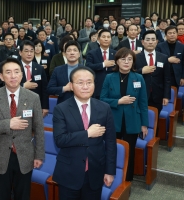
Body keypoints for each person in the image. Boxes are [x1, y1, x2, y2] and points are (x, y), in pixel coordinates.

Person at [0, 57, 45, 200]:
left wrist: (39, 155)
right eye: (8, 72)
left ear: (22, 75)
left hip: (25, 155)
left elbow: (39, 128)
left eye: (16, 72)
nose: (13, 76)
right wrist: (8, 124)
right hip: (0, 155)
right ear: (1, 76)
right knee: (2, 195)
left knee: (23, 195)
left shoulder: (33, 97)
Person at [52, 66, 116, 200]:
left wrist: (110, 171)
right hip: (69, 172)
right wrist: (87, 133)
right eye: (80, 83)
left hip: (95, 171)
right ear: (71, 85)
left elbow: (110, 142)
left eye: (89, 82)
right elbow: (60, 140)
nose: (85, 86)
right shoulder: (61, 109)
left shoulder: (104, 108)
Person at [100, 47, 149, 181]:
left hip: (132, 120)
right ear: (116, 61)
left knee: (129, 152)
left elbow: (143, 103)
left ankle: (127, 181)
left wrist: (144, 124)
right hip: (113, 120)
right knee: (111, 150)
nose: (126, 62)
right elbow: (102, 99)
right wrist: (118, 101)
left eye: (130, 59)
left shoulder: (138, 78)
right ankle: (109, 177)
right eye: (123, 59)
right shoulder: (109, 77)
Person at [135, 30, 171, 116]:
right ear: (142, 42)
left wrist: (166, 96)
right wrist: (141, 71)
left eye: (153, 39)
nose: (150, 42)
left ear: (157, 42)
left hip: (157, 95)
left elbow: (167, 79)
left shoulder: (163, 58)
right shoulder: (135, 57)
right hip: (139, 94)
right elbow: (129, 73)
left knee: (155, 120)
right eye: (147, 40)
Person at [47, 40, 84, 104]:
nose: (72, 53)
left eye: (75, 50)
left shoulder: (86, 70)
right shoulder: (57, 70)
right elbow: (50, 89)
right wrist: (64, 88)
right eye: (69, 50)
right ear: (65, 54)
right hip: (63, 106)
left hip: (82, 105)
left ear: (79, 54)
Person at [19, 40, 49, 117]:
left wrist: (45, 107)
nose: (29, 54)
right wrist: (23, 86)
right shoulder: (14, 67)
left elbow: (44, 89)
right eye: (26, 51)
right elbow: (5, 85)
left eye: (32, 51)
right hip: (18, 104)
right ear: (20, 52)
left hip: (35, 104)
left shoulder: (39, 68)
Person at [86, 29, 116, 99]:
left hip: (112, 87)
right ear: (98, 39)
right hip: (97, 86)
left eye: (108, 37)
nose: (106, 39)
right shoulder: (92, 53)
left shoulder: (115, 53)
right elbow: (88, 66)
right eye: (104, 37)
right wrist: (103, 64)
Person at [156, 26, 184, 90]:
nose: (172, 35)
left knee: (174, 96)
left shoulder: (182, 47)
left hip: (176, 77)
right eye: (170, 33)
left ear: (177, 34)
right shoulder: (159, 46)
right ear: (165, 35)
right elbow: (157, 60)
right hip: (162, 76)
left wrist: (183, 77)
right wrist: (167, 60)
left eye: (174, 33)